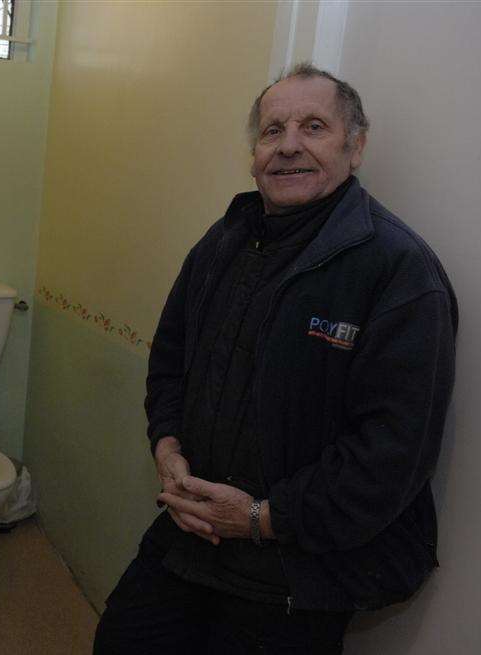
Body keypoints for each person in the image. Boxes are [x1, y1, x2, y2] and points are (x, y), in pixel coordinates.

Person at [92, 62, 457, 655]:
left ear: (355, 145)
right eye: (272, 130)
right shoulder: (224, 239)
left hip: (298, 572)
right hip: (192, 538)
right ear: (254, 151)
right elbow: (171, 358)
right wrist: (167, 445)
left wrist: (261, 517)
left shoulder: (397, 270)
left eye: (314, 127)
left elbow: (392, 454)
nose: (289, 146)